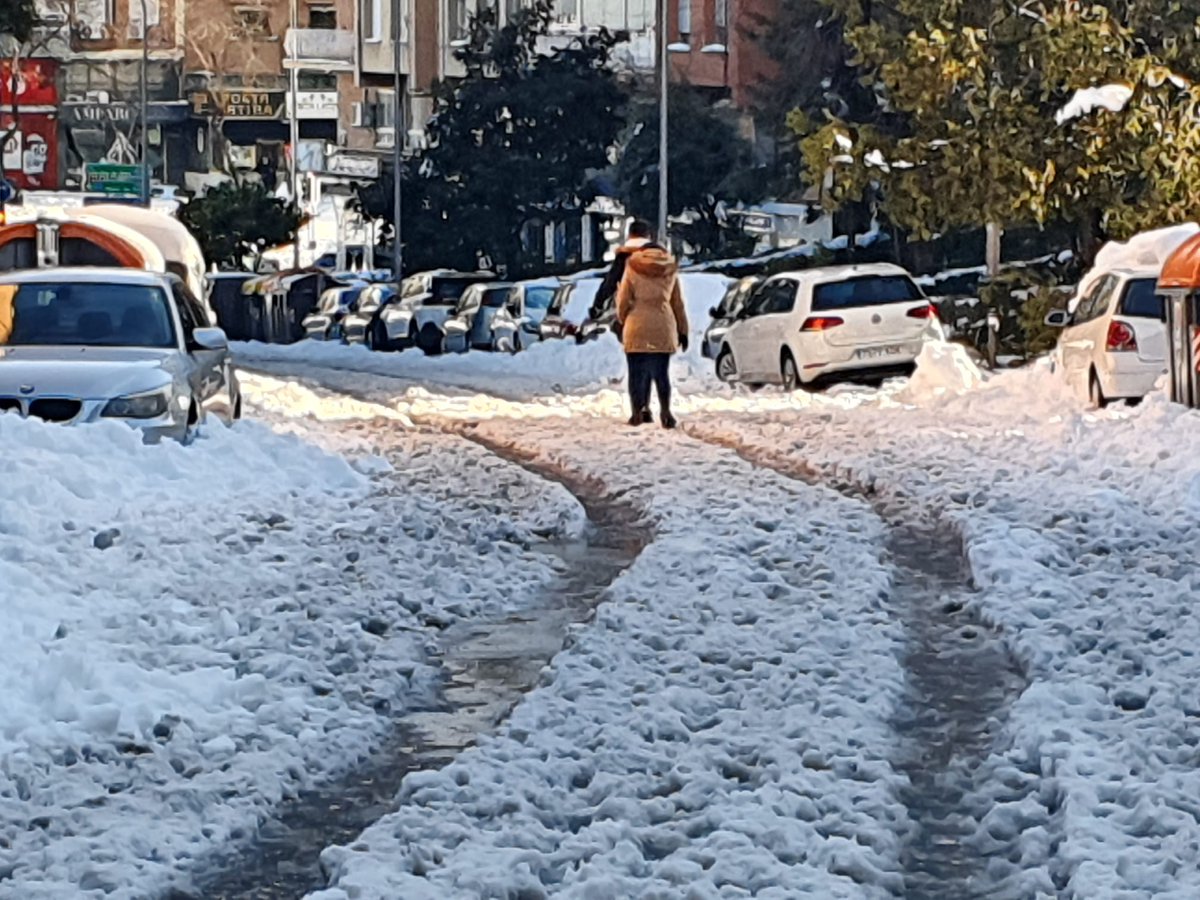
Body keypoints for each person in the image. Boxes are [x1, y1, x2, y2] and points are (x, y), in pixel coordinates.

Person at [615, 235, 689, 429]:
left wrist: (622, 318)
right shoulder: (670, 268)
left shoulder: (632, 266)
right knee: (661, 373)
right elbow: (677, 303)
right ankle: (665, 411)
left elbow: (623, 299)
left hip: (636, 323)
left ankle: (638, 412)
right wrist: (683, 330)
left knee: (636, 372)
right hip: (663, 324)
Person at [588, 219, 660, 334]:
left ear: (630, 235)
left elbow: (610, 283)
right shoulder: (661, 257)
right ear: (648, 236)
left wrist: (598, 305)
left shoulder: (625, 256)